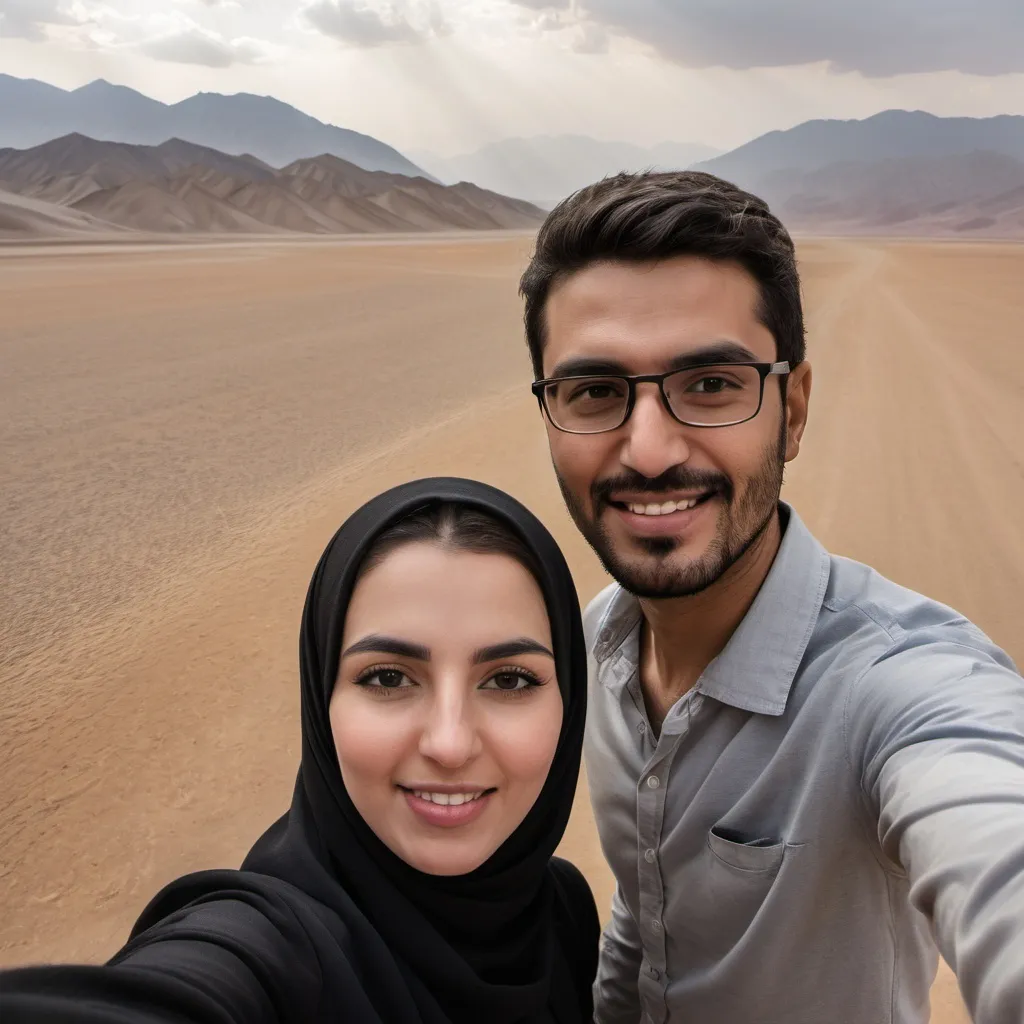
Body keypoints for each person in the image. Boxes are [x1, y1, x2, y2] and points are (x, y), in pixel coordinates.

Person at [518, 170, 1024, 1024]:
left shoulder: (894, 688)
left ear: (790, 409)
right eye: (596, 392)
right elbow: (644, 914)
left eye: (711, 384)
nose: (647, 452)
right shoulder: (593, 644)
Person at [0, 478, 599, 1024]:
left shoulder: (564, 913)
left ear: (568, 700)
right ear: (321, 699)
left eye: (510, 680)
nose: (448, 743)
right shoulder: (273, 948)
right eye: (388, 678)